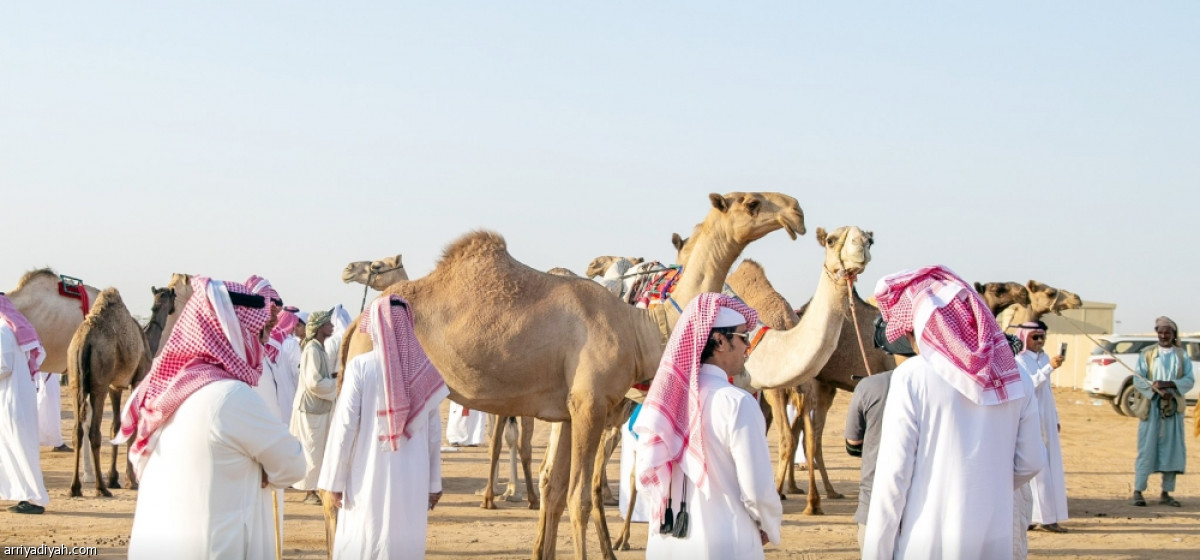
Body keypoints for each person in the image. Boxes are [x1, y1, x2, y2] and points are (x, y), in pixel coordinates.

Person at [863, 266, 1046, 559]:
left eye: (909, 329)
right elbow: (1032, 461)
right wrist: (986, 484)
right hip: (993, 541)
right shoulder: (1016, 377)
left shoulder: (912, 376)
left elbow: (893, 478)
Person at [119, 277, 304, 558]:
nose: (265, 342)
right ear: (233, 333)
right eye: (259, 332)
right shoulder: (230, 397)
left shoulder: (165, 391)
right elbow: (293, 465)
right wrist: (263, 468)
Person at [633, 292, 782, 559]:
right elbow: (757, 491)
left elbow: (646, 479)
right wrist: (768, 525)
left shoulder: (662, 408)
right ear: (720, 341)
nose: (748, 347)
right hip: (727, 542)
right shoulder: (737, 403)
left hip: (667, 543)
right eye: (743, 337)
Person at [318, 295, 449, 559]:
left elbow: (345, 427)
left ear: (376, 326)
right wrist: (433, 483)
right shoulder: (425, 371)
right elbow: (434, 435)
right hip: (412, 478)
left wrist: (334, 480)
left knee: (365, 539)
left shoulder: (361, 367)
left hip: (366, 476)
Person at [844, 315, 915, 549]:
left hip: (874, 506)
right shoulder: (942, 388)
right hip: (924, 510)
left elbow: (853, 445)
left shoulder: (868, 386)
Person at [1131, 316, 1194, 507]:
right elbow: (1138, 379)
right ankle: (1138, 491)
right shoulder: (1147, 354)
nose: (1164, 336)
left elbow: (1189, 380)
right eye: (1161, 332)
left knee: (1172, 449)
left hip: (1173, 409)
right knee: (1146, 448)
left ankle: (1166, 493)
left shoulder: (1182, 355)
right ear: (1157, 333)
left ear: (1174, 334)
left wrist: (1170, 385)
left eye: (1168, 332)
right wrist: (1155, 387)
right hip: (1151, 408)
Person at [1012, 320, 1069, 533]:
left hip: (1047, 418)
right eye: (1034, 337)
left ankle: (1045, 516)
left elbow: (1048, 392)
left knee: (1051, 466)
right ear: (1024, 337)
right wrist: (1049, 368)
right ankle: (1041, 518)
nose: (1039, 341)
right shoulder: (1019, 360)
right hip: (1031, 418)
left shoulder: (1044, 357)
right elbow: (1030, 385)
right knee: (1037, 467)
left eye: (1042, 337)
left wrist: (1055, 417)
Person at [0, 293, 50, 515]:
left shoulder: (3, 331)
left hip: (11, 400)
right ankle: (22, 495)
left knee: (19, 450)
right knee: (14, 449)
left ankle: (34, 498)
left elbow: (4, 366)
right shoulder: (13, 330)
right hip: (18, 398)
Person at [290, 309, 336, 505]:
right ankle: (310, 492)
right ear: (319, 328)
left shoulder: (319, 348)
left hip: (318, 408)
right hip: (310, 410)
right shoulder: (312, 350)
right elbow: (314, 383)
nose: (332, 326)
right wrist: (337, 384)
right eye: (328, 324)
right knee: (311, 450)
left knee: (317, 450)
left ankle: (316, 488)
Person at [36, 371, 70, 452]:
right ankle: (57, 442)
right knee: (48, 404)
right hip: (42, 374)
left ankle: (57, 441)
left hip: (48, 374)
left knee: (50, 406)